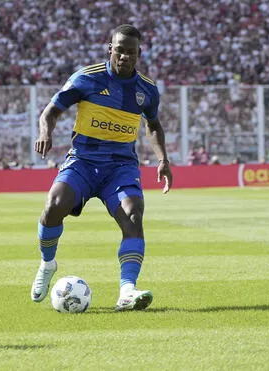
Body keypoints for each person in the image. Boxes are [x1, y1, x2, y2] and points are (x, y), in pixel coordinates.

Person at [30, 24, 173, 312]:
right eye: (119, 50)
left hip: (120, 166)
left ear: (139, 54)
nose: (124, 57)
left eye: (130, 52)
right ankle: (47, 264)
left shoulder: (147, 89)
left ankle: (127, 292)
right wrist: (46, 131)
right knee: (54, 205)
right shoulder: (87, 78)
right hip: (84, 161)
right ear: (110, 49)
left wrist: (163, 160)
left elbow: (153, 125)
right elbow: (52, 110)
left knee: (133, 215)